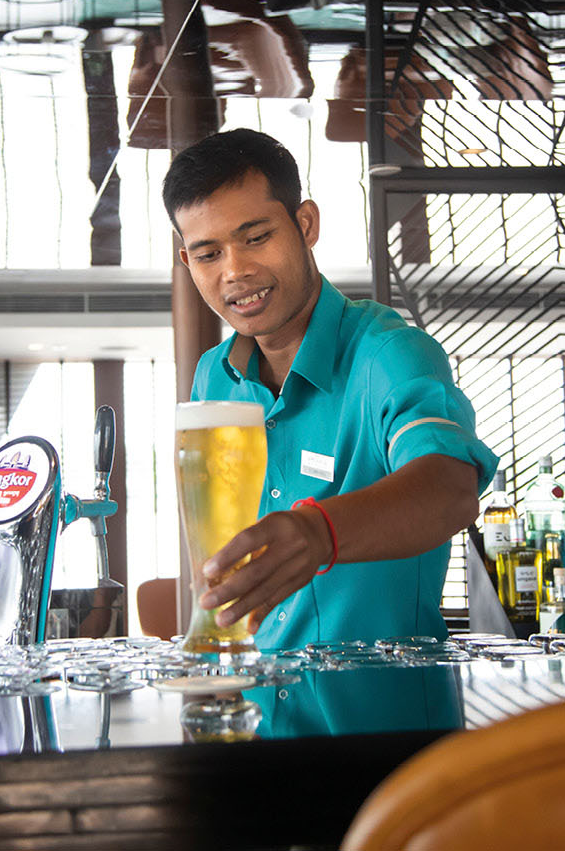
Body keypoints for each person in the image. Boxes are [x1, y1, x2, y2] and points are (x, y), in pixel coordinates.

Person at [163, 129, 500, 650]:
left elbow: (450, 490)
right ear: (188, 262)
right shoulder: (213, 375)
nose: (236, 271)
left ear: (305, 224)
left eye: (256, 238)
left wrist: (322, 533)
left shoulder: (390, 354)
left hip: (380, 720)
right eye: (208, 254)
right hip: (258, 716)